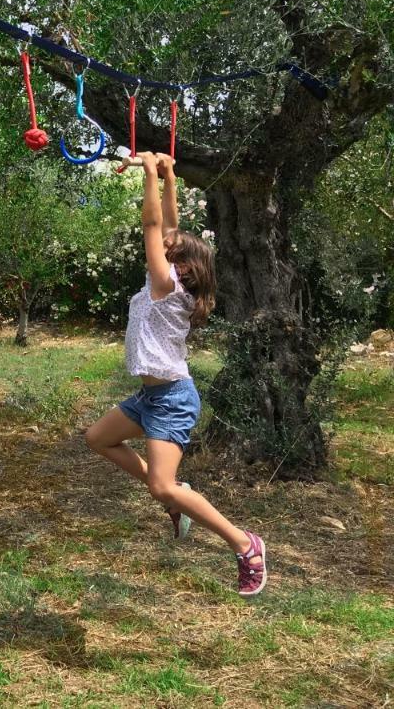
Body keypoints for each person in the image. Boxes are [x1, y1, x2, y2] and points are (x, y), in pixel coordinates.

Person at [84, 151, 267, 597]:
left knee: (161, 487)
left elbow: (153, 229)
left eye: (171, 251)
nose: (164, 247)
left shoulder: (166, 286)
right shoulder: (171, 280)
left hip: (172, 399)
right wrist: (168, 177)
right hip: (151, 397)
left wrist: (147, 175)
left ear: (181, 266)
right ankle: (173, 493)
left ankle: (245, 544)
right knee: (99, 439)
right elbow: (166, 227)